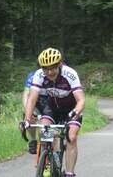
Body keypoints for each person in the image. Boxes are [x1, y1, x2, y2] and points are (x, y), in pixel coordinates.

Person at [23, 47, 85, 177]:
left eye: (53, 68)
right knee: (44, 132)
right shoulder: (39, 75)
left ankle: (69, 173)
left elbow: (81, 100)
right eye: (46, 68)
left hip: (71, 110)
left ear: (60, 64)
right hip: (51, 109)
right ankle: (48, 163)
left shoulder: (70, 74)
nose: (49, 72)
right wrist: (27, 120)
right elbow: (32, 98)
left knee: (71, 137)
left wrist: (76, 112)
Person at [22, 71, 48, 154]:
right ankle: (33, 140)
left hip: (51, 105)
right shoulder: (33, 76)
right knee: (30, 117)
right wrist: (27, 111)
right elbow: (26, 94)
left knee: (47, 133)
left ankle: (48, 148)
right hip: (36, 103)